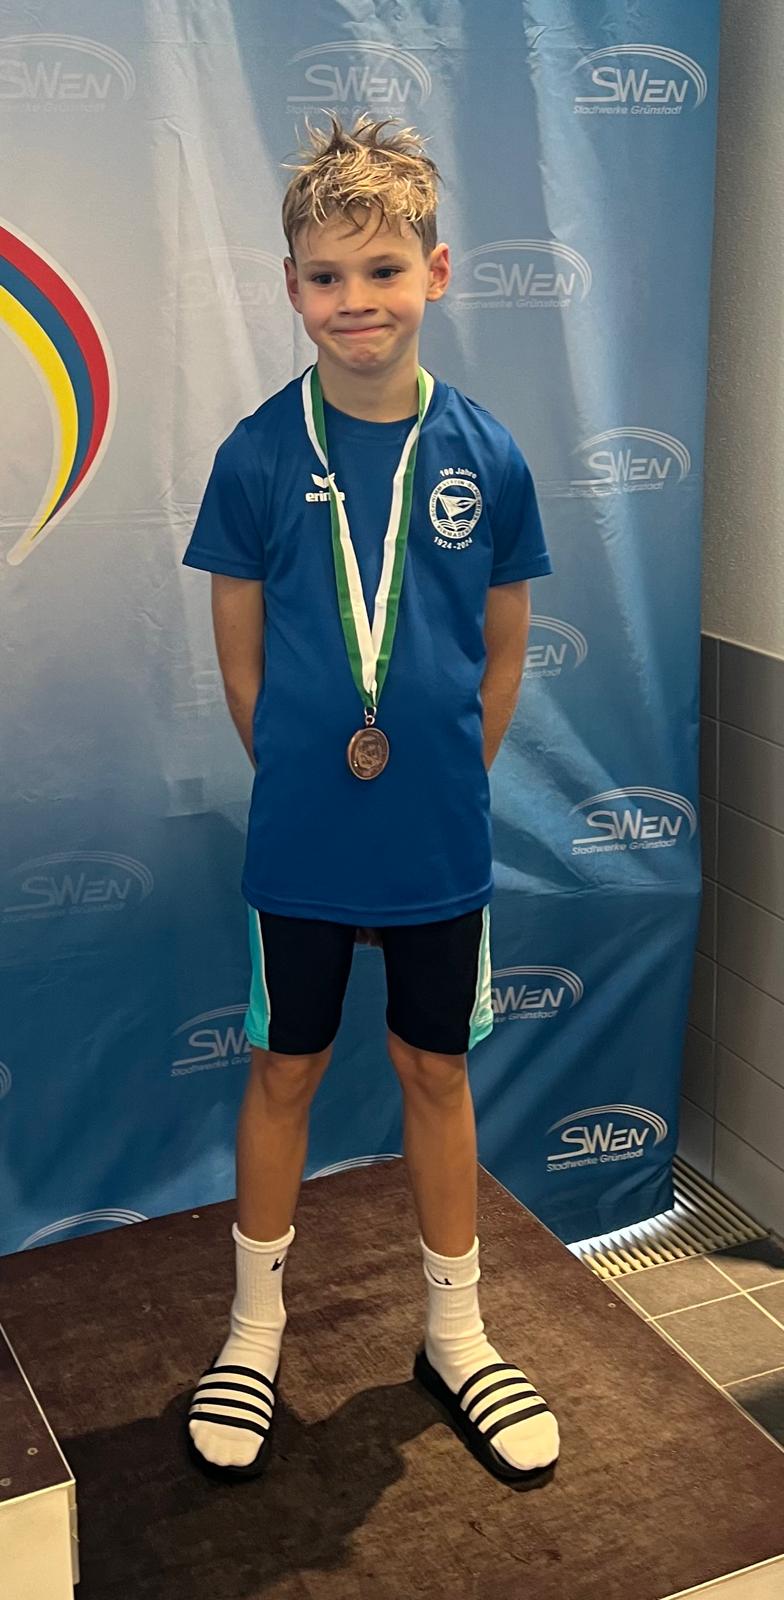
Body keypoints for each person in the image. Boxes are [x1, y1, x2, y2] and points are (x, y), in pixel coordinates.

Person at [181, 110, 559, 1489]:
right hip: (302, 840)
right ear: (291, 287)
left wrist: (441, 780)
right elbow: (242, 664)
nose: (357, 300)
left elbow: (501, 656)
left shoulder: (487, 454)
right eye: (328, 276)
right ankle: (253, 1333)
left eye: (383, 269)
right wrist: (308, 774)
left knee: (436, 1071)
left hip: (435, 844)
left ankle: (457, 1334)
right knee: (284, 1070)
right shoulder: (256, 454)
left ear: (435, 273)